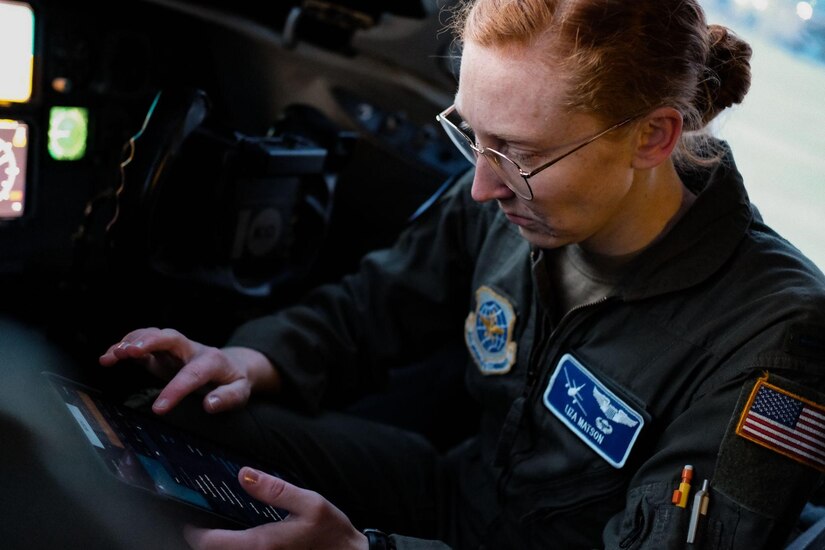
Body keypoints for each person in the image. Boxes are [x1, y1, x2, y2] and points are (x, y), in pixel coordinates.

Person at [100, 0, 825, 548]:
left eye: (515, 151)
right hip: (454, 495)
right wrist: (251, 359)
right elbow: (373, 306)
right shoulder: (512, 195)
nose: (481, 184)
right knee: (159, 410)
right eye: (469, 134)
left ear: (652, 135)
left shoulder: (776, 334)